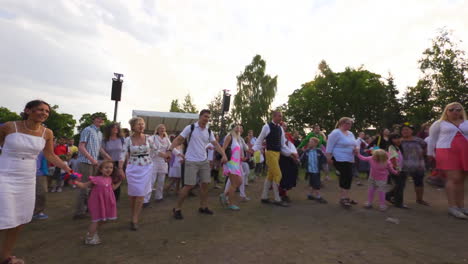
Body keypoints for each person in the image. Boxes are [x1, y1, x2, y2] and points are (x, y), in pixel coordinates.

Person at [0, 100, 71, 264]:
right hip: (4, 175)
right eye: (40, 109)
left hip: (27, 179)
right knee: (3, 216)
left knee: (18, 220)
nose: (44, 113)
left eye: (47, 111)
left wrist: (66, 167)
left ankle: (5, 257)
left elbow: (50, 155)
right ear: (28, 110)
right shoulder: (10, 126)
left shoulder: (47, 133)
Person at [166, 109, 227, 220]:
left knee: (205, 184)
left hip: (203, 161)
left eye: (208, 117)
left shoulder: (209, 131)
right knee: (188, 186)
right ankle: (177, 209)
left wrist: (223, 155)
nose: (206, 119)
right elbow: (179, 139)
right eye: (205, 116)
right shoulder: (191, 128)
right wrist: (169, 150)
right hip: (191, 161)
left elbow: (216, 144)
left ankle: (203, 207)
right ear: (200, 116)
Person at [427, 102, 468, 219]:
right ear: (446, 111)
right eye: (452, 109)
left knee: (461, 180)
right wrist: (430, 153)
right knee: (453, 178)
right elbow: (432, 139)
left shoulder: (466, 123)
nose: (455, 111)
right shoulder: (439, 123)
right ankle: (452, 207)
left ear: (462, 111)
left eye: (458, 109)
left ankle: (461, 206)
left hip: (465, 152)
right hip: (447, 151)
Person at [119, 117, 160, 230]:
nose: (141, 126)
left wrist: (168, 154)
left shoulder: (149, 138)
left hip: (146, 168)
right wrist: (120, 168)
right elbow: (122, 154)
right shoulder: (127, 140)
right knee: (133, 195)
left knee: (141, 194)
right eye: (138, 124)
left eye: (142, 124)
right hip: (132, 168)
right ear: (133, 126)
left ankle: (135, 219)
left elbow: (156, 150)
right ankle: (133, 215)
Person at [253, 111, 297, 207]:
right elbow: (260, 140)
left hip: (277, 154)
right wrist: (253, 150)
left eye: (281, 116)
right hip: (269, 153)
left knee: (271, 175)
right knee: (278, 174)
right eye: (279, 116)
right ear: (274, 116)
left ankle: (264, 197)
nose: (281, 118)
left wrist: (291, 153)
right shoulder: (266, 126)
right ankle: (277, 198)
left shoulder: (280, 129)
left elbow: (282, 145)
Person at [73, 161, 121, 245]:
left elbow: (112, 188)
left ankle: (93, 232)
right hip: (97, 203)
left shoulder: (109, 179)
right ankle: (89, 238)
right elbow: (84, 185)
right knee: (96, 220)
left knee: (104, 220)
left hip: (106, 203)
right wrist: (75, 182)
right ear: (101, 169)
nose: (109, 169)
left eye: (111, 168)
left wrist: (120, 181)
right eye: (106, 167)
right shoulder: (96, 179)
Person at [73, 113, 107, 220]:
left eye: (102, 119)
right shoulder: (87, 130)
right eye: (98, 118)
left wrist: (107, 156)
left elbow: (99, 148)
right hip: (85, 162)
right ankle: (79, 212)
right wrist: (92, 159)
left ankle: (88, 208)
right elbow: (81, 147)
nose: (100, 120)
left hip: (94, 163)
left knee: (93, 186)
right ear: (93, 119)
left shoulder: (100, 133)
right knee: (84, 186)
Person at [326, 117, 358, 208]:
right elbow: (329, 145)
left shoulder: (350, 133)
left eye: (351, 123)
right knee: (346, 176)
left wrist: (356, 149)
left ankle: (346, 197)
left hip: (349, 158)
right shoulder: (335, 133)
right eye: (348, 123)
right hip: (339, 158)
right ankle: (343, 198)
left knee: (348, 177)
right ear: (341, 123)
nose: (350, 125)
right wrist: (328, 158)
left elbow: (355, 144)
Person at [400, 122, 430, 206]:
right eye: (403, 130)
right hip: (403, 165)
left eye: (407, 129)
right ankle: (398, 200)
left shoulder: (418, 140)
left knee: (419, 182)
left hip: (418, 165)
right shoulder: (399, 141)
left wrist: (423, 154)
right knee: (400, 184)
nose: (405, 131)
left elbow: (426, 146)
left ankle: (419, 199)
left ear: (412, 131)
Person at [219, 124, 244, 210]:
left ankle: (224, 195)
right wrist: (224, 156)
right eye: (236, 126)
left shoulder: (237, 138)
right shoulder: (229, 137)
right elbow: (223, 148)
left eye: (239, 127)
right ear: (232, 128)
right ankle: (230, 203)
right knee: (234, 184)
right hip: (230, 163)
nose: (238, 128)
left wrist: (241, 158)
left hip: (236, 164)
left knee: (240, 181)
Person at [145, 124, 171, 205]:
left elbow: (171, 148)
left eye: (163, 128)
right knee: (151, 181)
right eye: (160, 128)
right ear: (157, 130)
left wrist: (179, 155)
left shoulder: (167, 139)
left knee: (161, 181)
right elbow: (148, 141)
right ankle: (146, 199)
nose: (162, 129)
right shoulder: (153, 137)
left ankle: (159, 197)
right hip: (154, 161)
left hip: (163, 162)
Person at [100, 122, 125, 201]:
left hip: (119, 163)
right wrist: (107, 156)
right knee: (107, 182)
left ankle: (114, 200)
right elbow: (101, 149)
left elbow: (125, 152)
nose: (115, 129)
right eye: (113, 127)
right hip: (108, 163)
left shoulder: (121, 139)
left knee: (117, 181)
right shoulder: (105, 140)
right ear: (109, 129)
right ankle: (106, 199)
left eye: (117, 127)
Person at [385, 133, 408, 209]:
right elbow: (393, 159)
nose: (397, 140)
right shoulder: (391, 147)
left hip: (401, 168)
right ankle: (398, 203)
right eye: (395, 138)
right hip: (396, 169)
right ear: (391, 140)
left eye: (399, 138)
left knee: (400, 185)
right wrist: (397, 170)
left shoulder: (398, 147)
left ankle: (388, 195)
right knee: (400, 186)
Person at [302, 138, 328, 203]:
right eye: (309, 142)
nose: (309, 143)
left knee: (314, 183)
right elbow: (302, 159)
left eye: (311, 142)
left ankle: (310, 195)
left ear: (316, 144)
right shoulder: (306, 151)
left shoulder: (319, 151)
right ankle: (318, 197)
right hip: (310, 171)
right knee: (316, 184)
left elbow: (324, 161)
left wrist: (326, 172)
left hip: (316, 171)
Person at [278, 122, 299, 203]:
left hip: (289, 158)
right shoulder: (278, 135)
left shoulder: (287, 135)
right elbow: (281, 147)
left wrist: (294, 155)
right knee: (283, 176)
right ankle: (282, 194)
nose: (285, 127)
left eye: (286, 126)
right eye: (283, 126)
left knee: (290, 173)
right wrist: (291, 154)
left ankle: (284, 193)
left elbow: (291, 145)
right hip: (281, 158)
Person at [33, 151, 49, 220]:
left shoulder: (42, 147)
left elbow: (49, 157)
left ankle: (38, 212)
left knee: (41, 193)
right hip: (25, 173)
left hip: (40, 174)